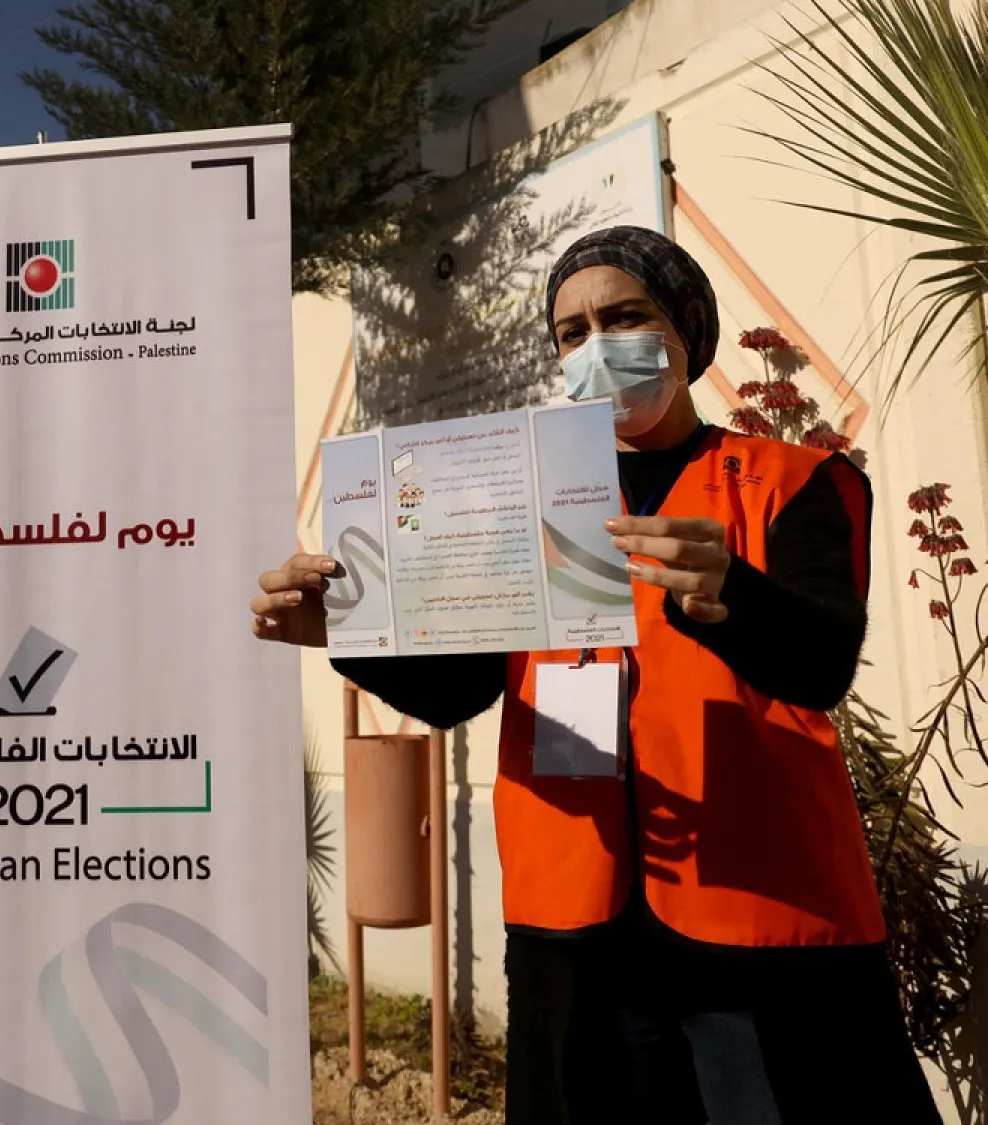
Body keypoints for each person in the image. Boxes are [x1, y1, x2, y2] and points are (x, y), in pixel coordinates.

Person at [251, 226, 941, 1124]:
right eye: (572, 332)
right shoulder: (522, 496)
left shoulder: (794, 482)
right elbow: (462, 685)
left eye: (624, 317)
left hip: (762, 925)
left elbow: (821, 664)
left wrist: (733, 593)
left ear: (685, 330)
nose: (596, 346)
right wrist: (346, 630)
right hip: (577, 931)